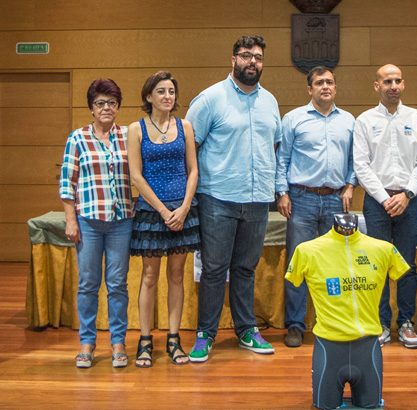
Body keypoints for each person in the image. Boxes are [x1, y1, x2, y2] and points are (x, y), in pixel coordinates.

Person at [185, 35, 281, 362]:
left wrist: (275, 188)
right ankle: (205, 334)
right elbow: (189, 146)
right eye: (245, 55)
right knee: (214, 269)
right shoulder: (210, 99)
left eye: (258, 57)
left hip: (257, 200)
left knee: (245, 268)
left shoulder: (270, 101)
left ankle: (246, 330)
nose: (252, 62)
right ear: (233, 59)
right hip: (217, 198)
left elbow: (275, 146)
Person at [285, 213, 409, 409]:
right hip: (328, 349)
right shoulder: (307, 251)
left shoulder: (383, 249)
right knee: (324, 406)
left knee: (371, 406)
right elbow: (293, 280)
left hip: (368, 348)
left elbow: (403, 275)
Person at [276, 66, 356, 347]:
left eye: (330, 82)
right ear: (309, 89)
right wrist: (282, 192)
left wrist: (350, 185)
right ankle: (296, 325)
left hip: (336, 200)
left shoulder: (348, 121)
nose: (326, 87)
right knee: (299, 264)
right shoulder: (294, 119)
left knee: (333, 265)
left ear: (336, 88)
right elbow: (282, 159)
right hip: (301, 199)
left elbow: (354, 161)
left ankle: (330, 321)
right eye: (320, 83)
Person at [353, 64, 417, 348]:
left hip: (410, 201)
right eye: (387, 81)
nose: (393, 85)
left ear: (404, 84)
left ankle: (407, 322)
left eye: (398, 80)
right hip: (378, 203)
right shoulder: (364, 121)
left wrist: (407, 194)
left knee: (407, 264)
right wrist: (385, 199)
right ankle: (382, 323)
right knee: (378, 265)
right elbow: (361, 165)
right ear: (377, 86)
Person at [59, 78, 134, 368]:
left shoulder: (128, 135)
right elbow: (68, 183)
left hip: (121, 222)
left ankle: (118, 343)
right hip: (88, 222)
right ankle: (87, 344)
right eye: (101, 103)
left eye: (112, 103)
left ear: (118, 107)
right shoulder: (77, 138)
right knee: (88, 284)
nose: (106, 108)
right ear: (91, 107)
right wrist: (70, 220)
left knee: (117, 284)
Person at [128, 71, 200, 367]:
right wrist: (162, 210)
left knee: (176, 276)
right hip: (152, 210)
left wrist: (183, 208)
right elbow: (136, 175)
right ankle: (145, 340)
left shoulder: (185, 126)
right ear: (148, 96)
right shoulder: (136, 128)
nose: (167, 96)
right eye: (161, 91)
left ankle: (173, 338)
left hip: (183, 209)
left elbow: (193, 170)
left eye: (171, 91)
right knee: (148, 276)